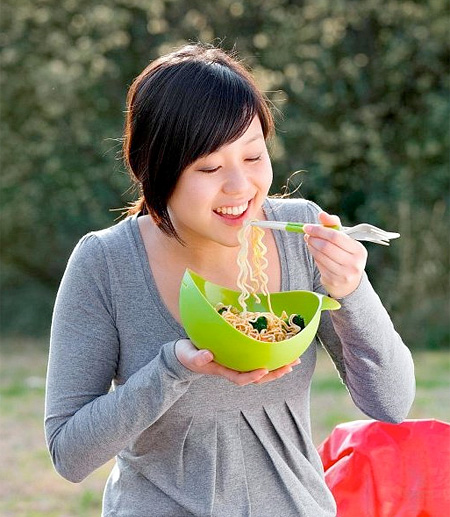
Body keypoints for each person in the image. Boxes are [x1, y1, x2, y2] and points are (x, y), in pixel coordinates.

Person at [44, 43, 415, 517]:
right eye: (210, 168)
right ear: (153, 170)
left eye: (254, 156)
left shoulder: (304, 233)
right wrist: (172, 369)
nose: (241, 188)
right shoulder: (107, 262)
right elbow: (68, 454)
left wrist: (352, 291)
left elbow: (392, 403)